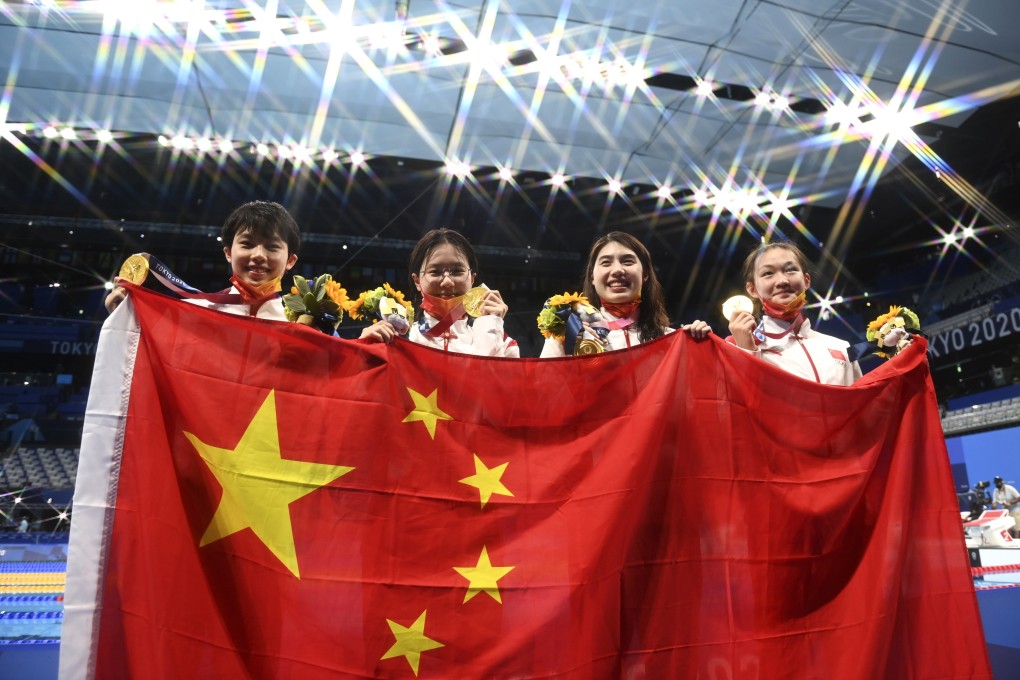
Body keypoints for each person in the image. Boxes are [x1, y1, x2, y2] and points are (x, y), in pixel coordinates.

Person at [104, 201, 300, 320]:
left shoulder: (302, 328)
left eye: (272, 247)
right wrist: (123, 317)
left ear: (290, 260)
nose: (258, 255)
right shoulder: (191, 314)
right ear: (228, 253)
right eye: (247, 244)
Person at [540, 231, 711, 357]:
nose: (617, 270)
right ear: (592, 276)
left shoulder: (671, 340)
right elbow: (544, 393)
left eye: (627, 261)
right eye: (606, 263)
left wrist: (701, 346)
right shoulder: (570, 334)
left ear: (645, 275)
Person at [359, 229, 519, 357]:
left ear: (472, 279)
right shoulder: (396, 339)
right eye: (435, 272)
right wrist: (364, 348)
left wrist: (490, 325)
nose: (447, 282)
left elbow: (500, 391)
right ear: (417, 281)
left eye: (457, 271)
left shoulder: (504, 344)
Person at [727, 241, 861, 385]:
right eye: (768, 273)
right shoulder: (740, 348)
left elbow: (864, 401)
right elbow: (739, 401)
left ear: (806, 280)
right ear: (752, 289)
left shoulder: (842, 347)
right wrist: (746, 351)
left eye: (790, 270)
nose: (782, 281)